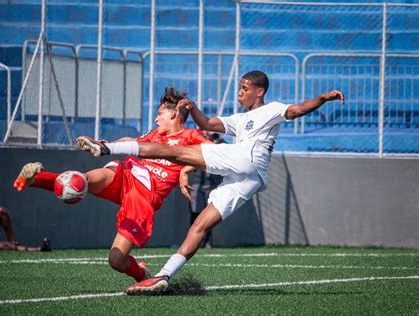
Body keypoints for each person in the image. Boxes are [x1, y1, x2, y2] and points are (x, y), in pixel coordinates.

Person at [76, 70, 345, 295]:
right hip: (251, 177)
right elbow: (205, 122)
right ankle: (163, 277)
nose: (240, 93)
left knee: (173, 151)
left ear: (259, 91)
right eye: (239, 88)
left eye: (244, 88)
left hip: (246, 158)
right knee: (200, 225)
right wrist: (192, 107)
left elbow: (297, 110)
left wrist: (323, 98)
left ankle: (107, 148)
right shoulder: (238, 120)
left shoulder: (272, 110)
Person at [13, 87, 211, 286]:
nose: (156, 119)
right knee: (80, 181)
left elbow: (214, 153)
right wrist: (105, 146)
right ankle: (34, 179)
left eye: (159, 114)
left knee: (116, 260)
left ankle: (142, 275)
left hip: (142, 198)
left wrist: (185, 170)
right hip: (125, 175)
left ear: (174, 113)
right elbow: (130, 142)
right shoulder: (154, 134)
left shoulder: (190, 135)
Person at [180, 132, 225, 249]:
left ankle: (208, 243)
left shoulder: (218, 142)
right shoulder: (196, 142)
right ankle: (193, 242)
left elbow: (227, 152)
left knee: (209, 215)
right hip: (196, 183)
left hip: (211, 185)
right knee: (194, 213)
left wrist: (217, 143)